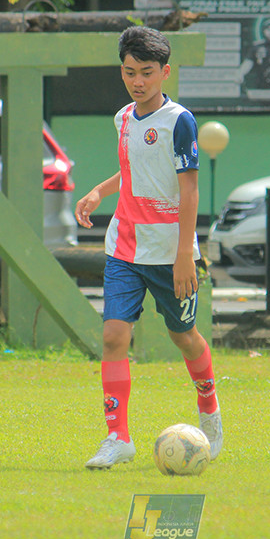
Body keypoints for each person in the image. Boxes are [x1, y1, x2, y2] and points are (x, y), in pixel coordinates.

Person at [75, 26, 222, 470]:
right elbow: (133, 169)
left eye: (146, 73)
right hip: (124, 245)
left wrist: (184, 255)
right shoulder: (122, 119)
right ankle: (117, 438)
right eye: (128, 72)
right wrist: (99, 192)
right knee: (114, 336)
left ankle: (210, 411)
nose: (137, 82)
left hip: (170, 252)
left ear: (165, 73)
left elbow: (189, 190)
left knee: (184, 337)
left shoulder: (180, 122)